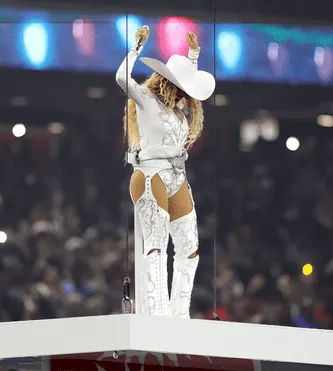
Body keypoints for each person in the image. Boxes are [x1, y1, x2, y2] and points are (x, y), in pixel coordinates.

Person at [116, 25, 215, 318]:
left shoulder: (180, 111)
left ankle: (178, 314)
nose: (187, 96)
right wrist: (136, 48)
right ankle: (157, 315)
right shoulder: (147, 101)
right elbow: (122, 78)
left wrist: (193, 55)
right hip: (150, 174)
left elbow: (189, 80)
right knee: (156, 247)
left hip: (176, 176)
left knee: (189, 247)